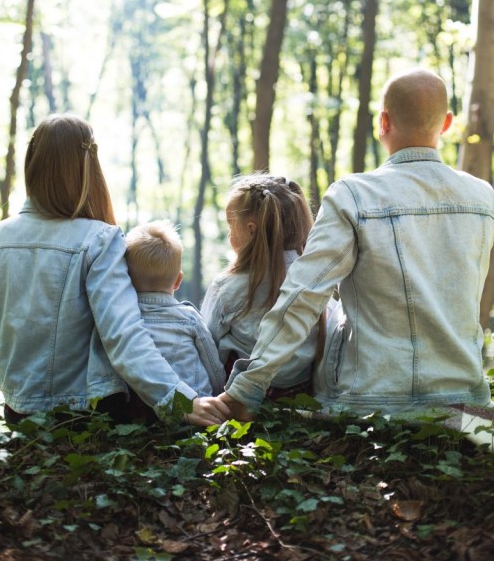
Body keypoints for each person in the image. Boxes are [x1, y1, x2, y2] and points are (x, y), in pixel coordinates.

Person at [216, 68, 494, 420]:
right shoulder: (483, 198)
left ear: (383, 122)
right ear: (447, 124)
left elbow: (303, 296)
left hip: (367, 403)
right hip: (464, 404)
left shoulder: (354, 195)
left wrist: (248, 387)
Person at [0, 113, 230, 426]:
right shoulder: (99, 239)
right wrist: (180, 401)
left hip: (18, 413)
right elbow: (124, 336)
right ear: (88, 168)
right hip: (83, 415)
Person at [200, 173, 324, 399]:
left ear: (250, 229)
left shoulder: (228, 286)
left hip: (242, 397)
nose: (229, 234)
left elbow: (207, 344)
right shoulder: (314, 278)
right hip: (300, 393)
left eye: (230, 227)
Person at [125, 219, 225, 403]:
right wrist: (219, 394)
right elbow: (213, 366)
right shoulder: (189, 318)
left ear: (126, 279)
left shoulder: (123, 320)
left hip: (145, 412)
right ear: (178, 281)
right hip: (197, 407)